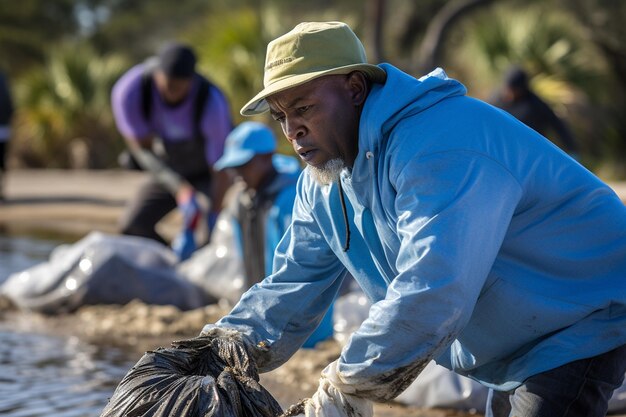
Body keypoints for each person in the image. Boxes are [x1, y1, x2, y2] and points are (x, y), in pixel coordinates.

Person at [196, 21, 626, 417]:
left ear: (355, 88)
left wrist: (350, 384)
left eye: (304, 108)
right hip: (516, 335)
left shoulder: (438, 146)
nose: (292, 131)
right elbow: (294, 283)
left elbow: (435, 288)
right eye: (281, 116)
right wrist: (221, 347)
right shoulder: (323, 181)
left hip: (581, 314)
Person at [213, 121, 333, 347]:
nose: (237, 173)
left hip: (306, 328)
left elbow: (303, 267)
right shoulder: (244, 199)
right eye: (233, 166)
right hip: (265, 320)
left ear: (266, 157)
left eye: (244, 164)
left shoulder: (291, 198)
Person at [111, 42, 233, 259]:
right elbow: (141, 149)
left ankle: (201, 267)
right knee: (131, 224)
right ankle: (169, 262)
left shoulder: (211, 101)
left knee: (212, 234)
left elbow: (221, 168)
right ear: (157, 72)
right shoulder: (130, 91)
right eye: (167, 84)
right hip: (169, 169)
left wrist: (214, 214)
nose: (172, 92)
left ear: (192, 80)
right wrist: (179, 189)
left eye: (180, 86)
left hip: (209, 172)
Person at [490, 65, 579, 157]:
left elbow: (558, 125)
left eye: (513, 90)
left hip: (532, 154)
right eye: (508, 88)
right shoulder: (496, 100)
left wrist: (572, 149)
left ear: (522, 88)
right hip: (505, 153)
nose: (509, 93)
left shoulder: (535, 104)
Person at [0, 71, 14, 201]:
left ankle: (1, 188)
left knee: (2, 160)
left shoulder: (3, 79)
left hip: (3, 129)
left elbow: (10, 106)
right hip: (4, 128)